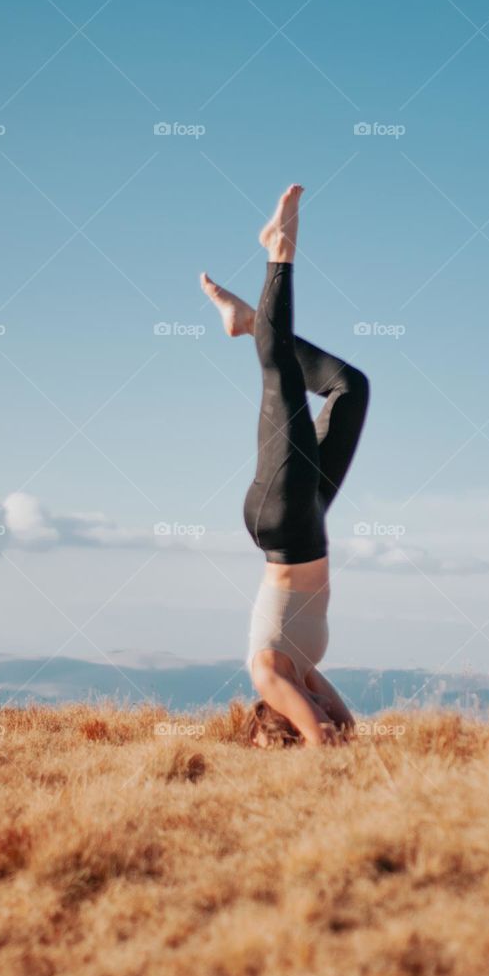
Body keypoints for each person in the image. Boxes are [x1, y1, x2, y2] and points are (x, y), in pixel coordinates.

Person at [201, 184, 369, 745]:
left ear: (279, 715)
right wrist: (330, 721)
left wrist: (317, 734)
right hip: (308, 521)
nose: (322, 705)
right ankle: (251, 323)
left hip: (282, 520)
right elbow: (346, 727)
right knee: (349, 387)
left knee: (282, 379)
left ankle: (278, 250)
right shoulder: (306, 671)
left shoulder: (270, 675)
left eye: (307, 709)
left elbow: (326, 737)